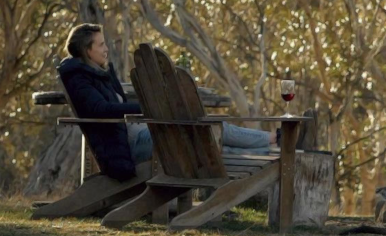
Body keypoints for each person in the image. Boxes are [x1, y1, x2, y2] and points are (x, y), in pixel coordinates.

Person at [58, 23, 294, 181]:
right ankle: (274, 141)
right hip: (129, 146)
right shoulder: (80, 79)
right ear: (87, 51)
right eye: (101, 45)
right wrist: (148, 108)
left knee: (211, 138)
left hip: (142, 133)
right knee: (207, 131)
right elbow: (101, 109)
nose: (106, 49)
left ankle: (274, 150)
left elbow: (114, 103)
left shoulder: (99, 73)